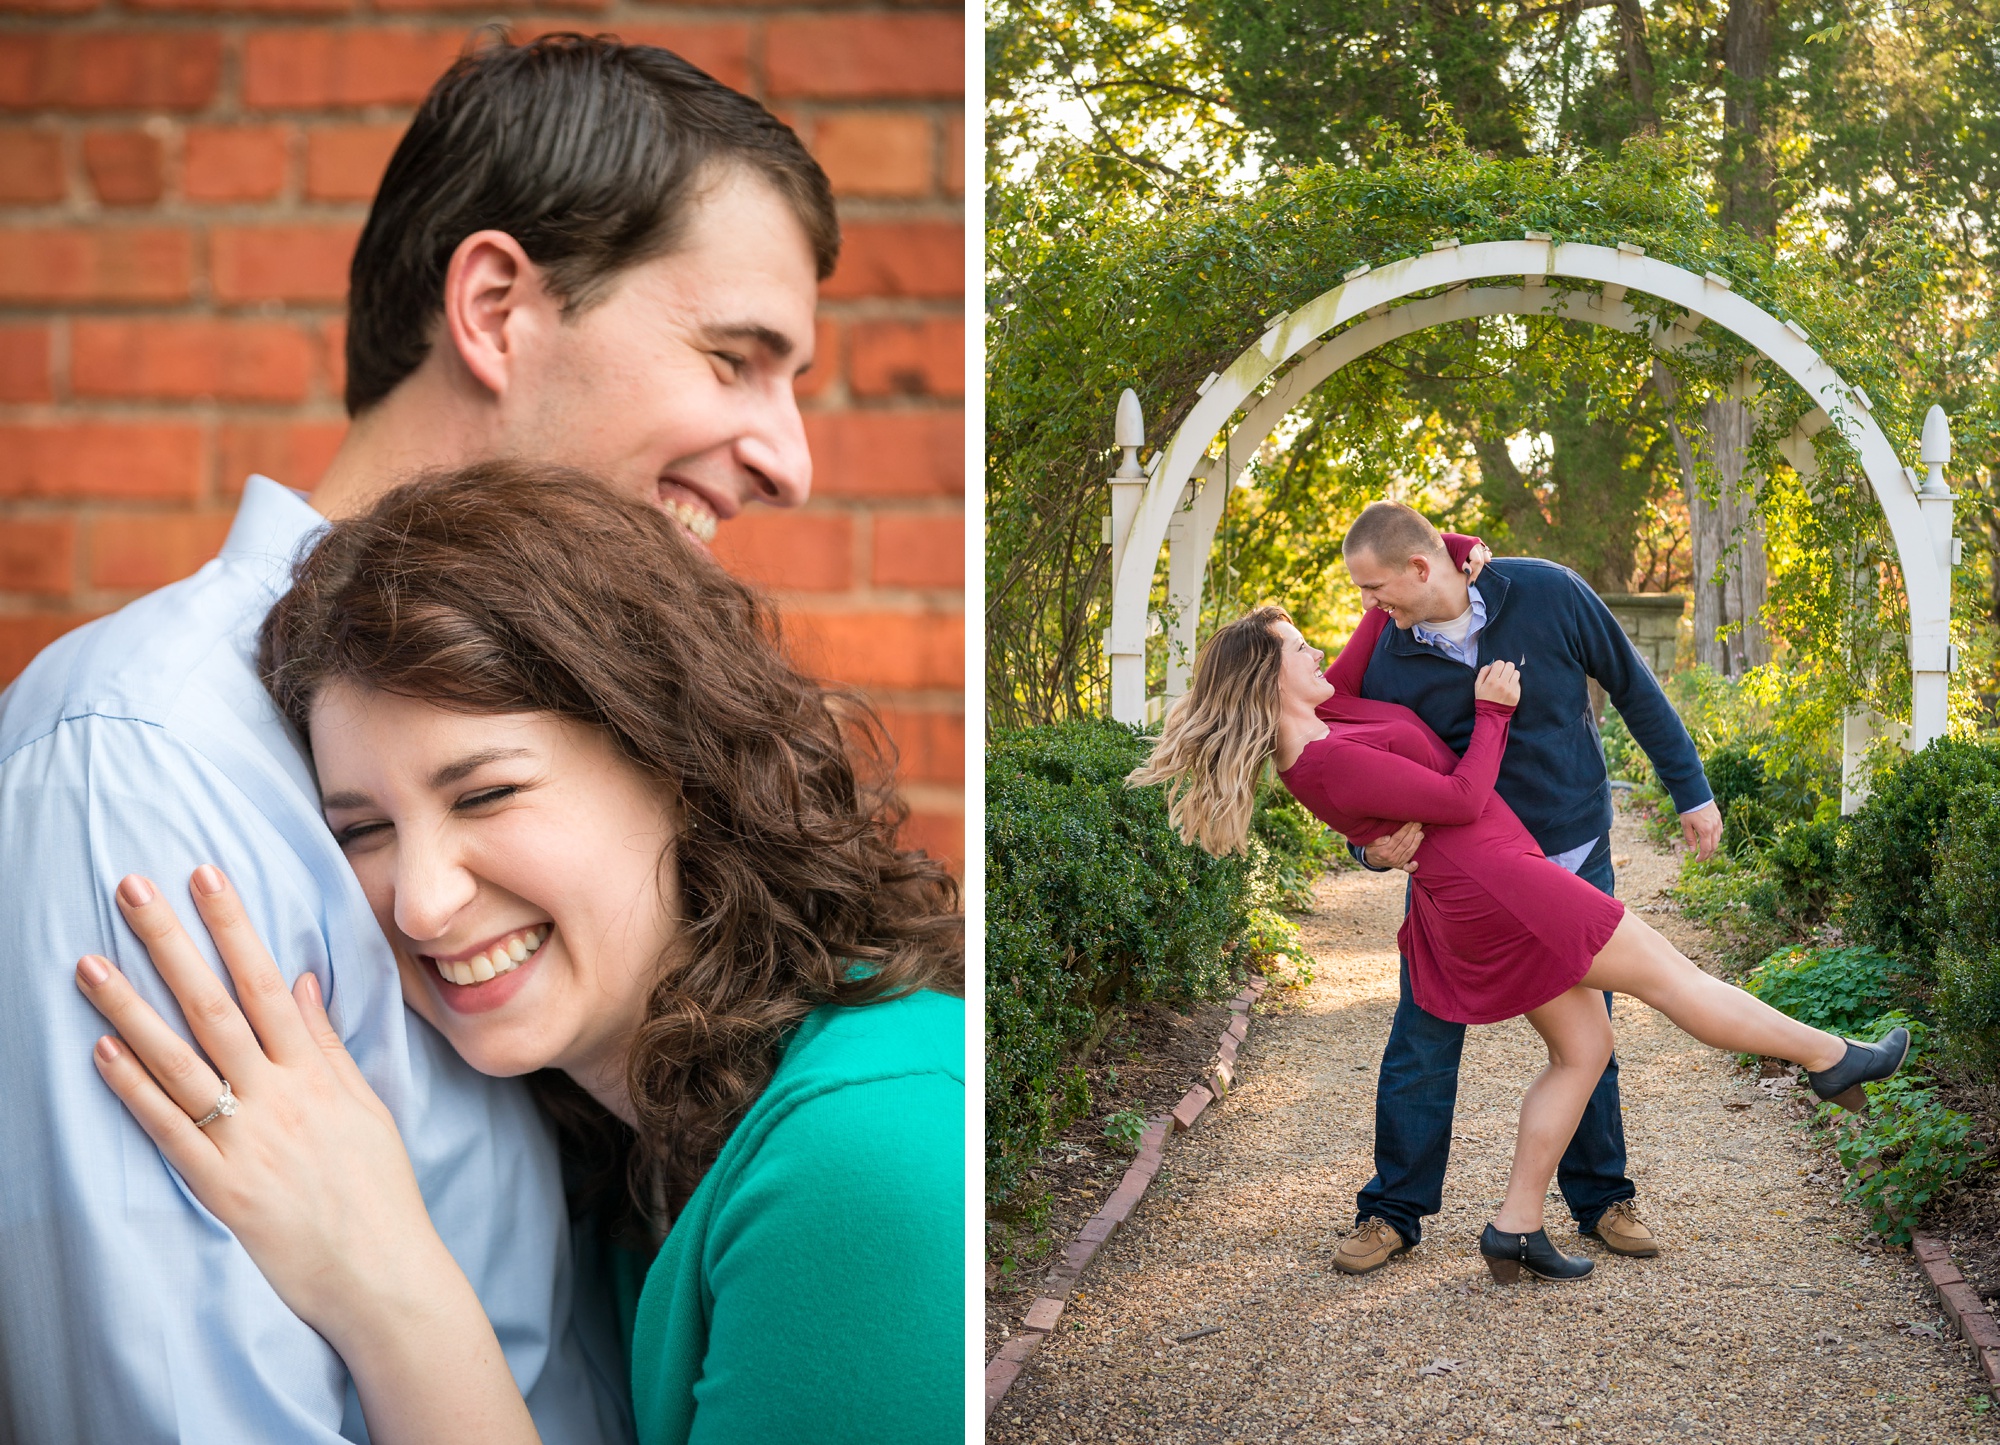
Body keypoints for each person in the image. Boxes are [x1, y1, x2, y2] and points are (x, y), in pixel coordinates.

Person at [0, 34, 836, 1442]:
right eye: (733, 358)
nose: (789, 457)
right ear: (498, 306)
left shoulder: (599, 733)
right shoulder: (143, 760)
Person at [74, 466, 965, 1444]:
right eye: (362, 828)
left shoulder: (865, 1157)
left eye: (485, 794)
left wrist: (391, 1292)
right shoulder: (637, 1139)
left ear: (678, 765)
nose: (418, 901)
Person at [1129, 598, 1909, 1283]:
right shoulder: (1321, 760)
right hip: (1501, 887)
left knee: (1585, 1048)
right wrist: (1493, 708)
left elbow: (1381, 606)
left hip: (1497, 881)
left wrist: (1453, 552)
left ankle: (1516, 1226)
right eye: (1298, 647)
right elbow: (1462, 798)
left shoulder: (1333, 712)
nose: (1315, 652)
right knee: (1675, 979)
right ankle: (1830, 1056)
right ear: (1270, 678)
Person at [1334, 505, 1722, 1273]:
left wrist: (1691, 789)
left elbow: (1633, 685)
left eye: (1377, 589)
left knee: (1588, 1038)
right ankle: (1392, 1212)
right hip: (1464, 880)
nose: (1370, 608)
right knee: (1423, 1038)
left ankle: (1602, 1198)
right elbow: (1354, 763)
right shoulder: (1384, 656)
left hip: (1573, 852)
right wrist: (1369, 849)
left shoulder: (1548, 592)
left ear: (1422, 566)